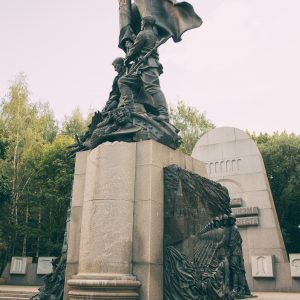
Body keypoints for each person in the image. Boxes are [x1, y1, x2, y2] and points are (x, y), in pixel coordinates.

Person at [118, 16, 169, 121]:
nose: (141, 24)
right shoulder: (155, 35)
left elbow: (134, 50)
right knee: (123, 81)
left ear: (144, 23)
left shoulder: (143, 34)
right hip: (142, 68)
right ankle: (130, 108)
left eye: (142, 22)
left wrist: (127, 59)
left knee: (153, 88)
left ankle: (164, 114)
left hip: (148, 66)